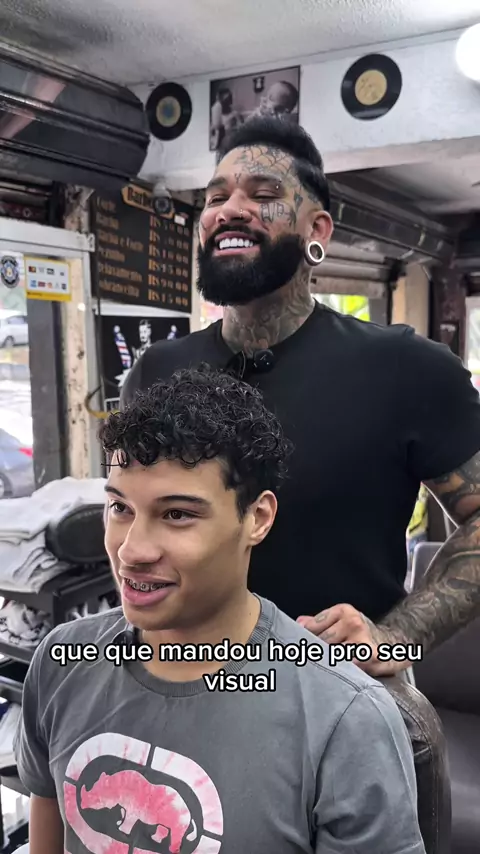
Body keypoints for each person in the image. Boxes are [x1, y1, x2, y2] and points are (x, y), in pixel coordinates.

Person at [121, 116, 480, 679]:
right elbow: (134, 516)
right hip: (183, 678)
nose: (229, 209)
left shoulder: (407, 370)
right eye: (215, 197)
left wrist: (396, 637)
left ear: (318, 230)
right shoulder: (157, 370)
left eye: (263, 194)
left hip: (341, 691)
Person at [15, 367, 426, 854]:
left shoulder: (345, 720)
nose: (131, 550)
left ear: (257, 518)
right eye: (120, 508)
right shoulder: (61, 664)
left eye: (177, 514)